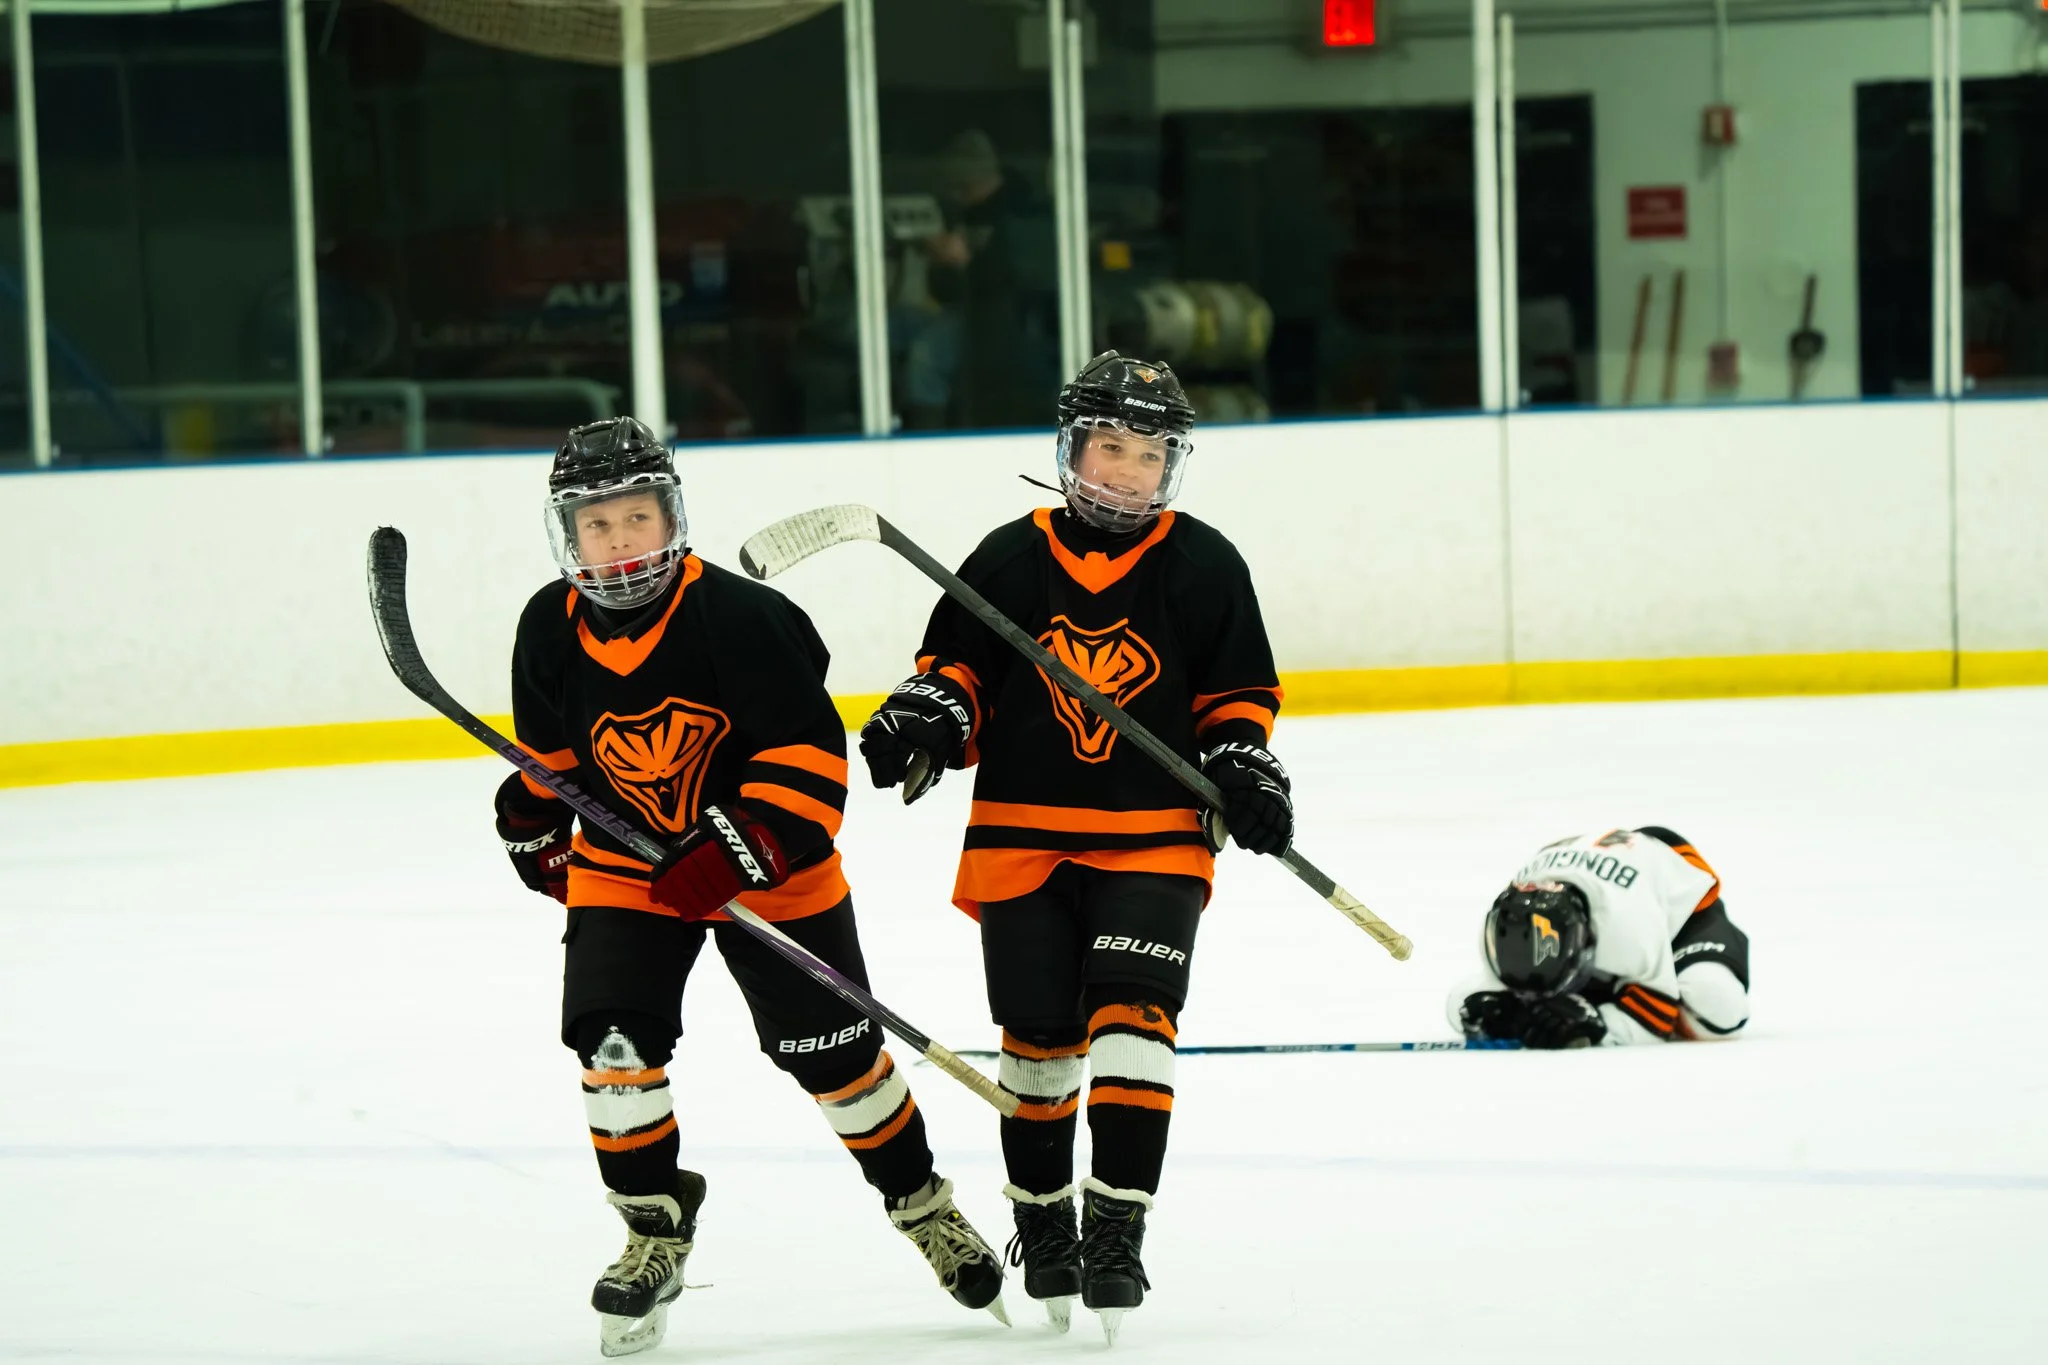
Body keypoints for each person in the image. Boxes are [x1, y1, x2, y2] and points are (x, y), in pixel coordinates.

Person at [493, 417, 1005, 1356]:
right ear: (569, 533)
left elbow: (810, 771)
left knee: (837, 1059)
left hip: (773, 874)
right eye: (598, 525)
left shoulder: (745, 619)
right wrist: (529, 814)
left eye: (636, 518)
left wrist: (735, 847)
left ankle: (922, 1205)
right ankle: (653, 1229)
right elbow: (559, 758)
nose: (618, 542)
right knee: (612, 1043)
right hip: (630, 866)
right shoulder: (546, 624)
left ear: (671, 516)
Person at [857, 353, 1290, 1341]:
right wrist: (922, 720)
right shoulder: (1008, 558)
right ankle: (1043, 1225)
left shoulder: (1203, 563)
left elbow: (1234, 704)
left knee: (1134, 1020)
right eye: (1109, 447)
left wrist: (1246, 774)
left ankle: (1117, 1230)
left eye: (1148, 453)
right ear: (1070, 448)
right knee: (1038, 1042)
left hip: (1153, 841)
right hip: (1023, 840)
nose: (1127, 471)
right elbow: (957, 677)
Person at [1452, 826, 1752, 1049]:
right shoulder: (1499, 925)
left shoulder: (1628, 924)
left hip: (1681, 916)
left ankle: (1616, 987)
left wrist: (1598, 1023)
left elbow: (1658, 1016)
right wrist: (1498, 1016)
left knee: (1717, 1007)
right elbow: (1464, 1004)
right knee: (1462, 1005)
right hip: (1596, 877)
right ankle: (1610, 989)